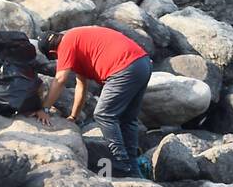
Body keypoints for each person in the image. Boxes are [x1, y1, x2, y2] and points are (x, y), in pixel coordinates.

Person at [39, 26, 154, 178]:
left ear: (53, 53)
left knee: (103, 115)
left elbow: (60, 79)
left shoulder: (66, 43)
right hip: (142, 63)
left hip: (124, 68)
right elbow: (81, 86)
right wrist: (74, 116)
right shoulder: (77, 41)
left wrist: (44, 109)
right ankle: (133, 169)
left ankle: (121, 165)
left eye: (56, 59)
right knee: (127, 119)